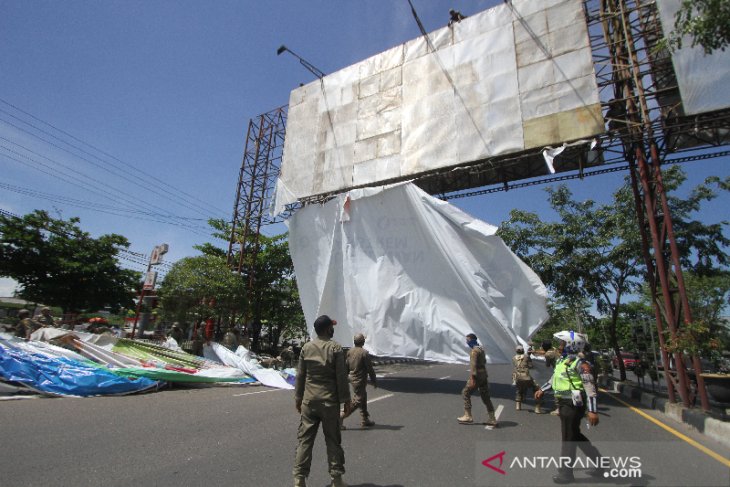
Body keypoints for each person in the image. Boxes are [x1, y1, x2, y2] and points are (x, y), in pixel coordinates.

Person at [535, 331, 604, 484]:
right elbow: (555, 378)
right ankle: (600, 463)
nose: (560, 346)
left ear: (571, 345)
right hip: (563, 403)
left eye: (562, 343)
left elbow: (590, 388)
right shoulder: (563, 361)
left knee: (568, 438)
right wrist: (543, 389)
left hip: (573, 405)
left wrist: (592, 410)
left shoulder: (581, 364)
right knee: (574, 435)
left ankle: (565, 474)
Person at [293, 315, 352, 487]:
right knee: (333, 441)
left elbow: (300, 375)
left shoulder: (307, 347)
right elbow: (341, 377)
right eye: (332, 326)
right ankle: (336, 480)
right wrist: (346, 400)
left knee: (305, 441)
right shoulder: (335, 348)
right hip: (329, 403)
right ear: (328, 329)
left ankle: (299, 480)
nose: (333, 329)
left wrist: (298, 398)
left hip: (309, 402)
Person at [457, 333, 497, 427]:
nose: (467, 342)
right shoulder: (481, 349)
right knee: (485, 397)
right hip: (484, 375)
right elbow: (485, 361)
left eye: (468, 340)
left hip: (477, 375)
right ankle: (492, 419)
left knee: (465, 392)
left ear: (472, 340)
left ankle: (468, 416)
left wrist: (473, 378)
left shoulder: (474, 351)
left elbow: (473, 365)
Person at [340, 333, 377, 429]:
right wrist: (374, 380)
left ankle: (365, 419)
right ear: (363, 342)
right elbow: (370, 368)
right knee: (358, 400)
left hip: (352, 378)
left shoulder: (349, 351)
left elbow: (346, 366)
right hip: (360, 380)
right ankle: (340, 417)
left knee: (363, 397)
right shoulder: (364, 353)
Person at [512, 345, 544, 413]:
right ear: (523, 350)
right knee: (536, 388)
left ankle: (518, 405)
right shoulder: (526, 357)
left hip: (517, 377)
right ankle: (537, 407)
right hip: (526, 377)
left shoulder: (513, 358)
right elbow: (530, 366)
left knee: (519, 389)